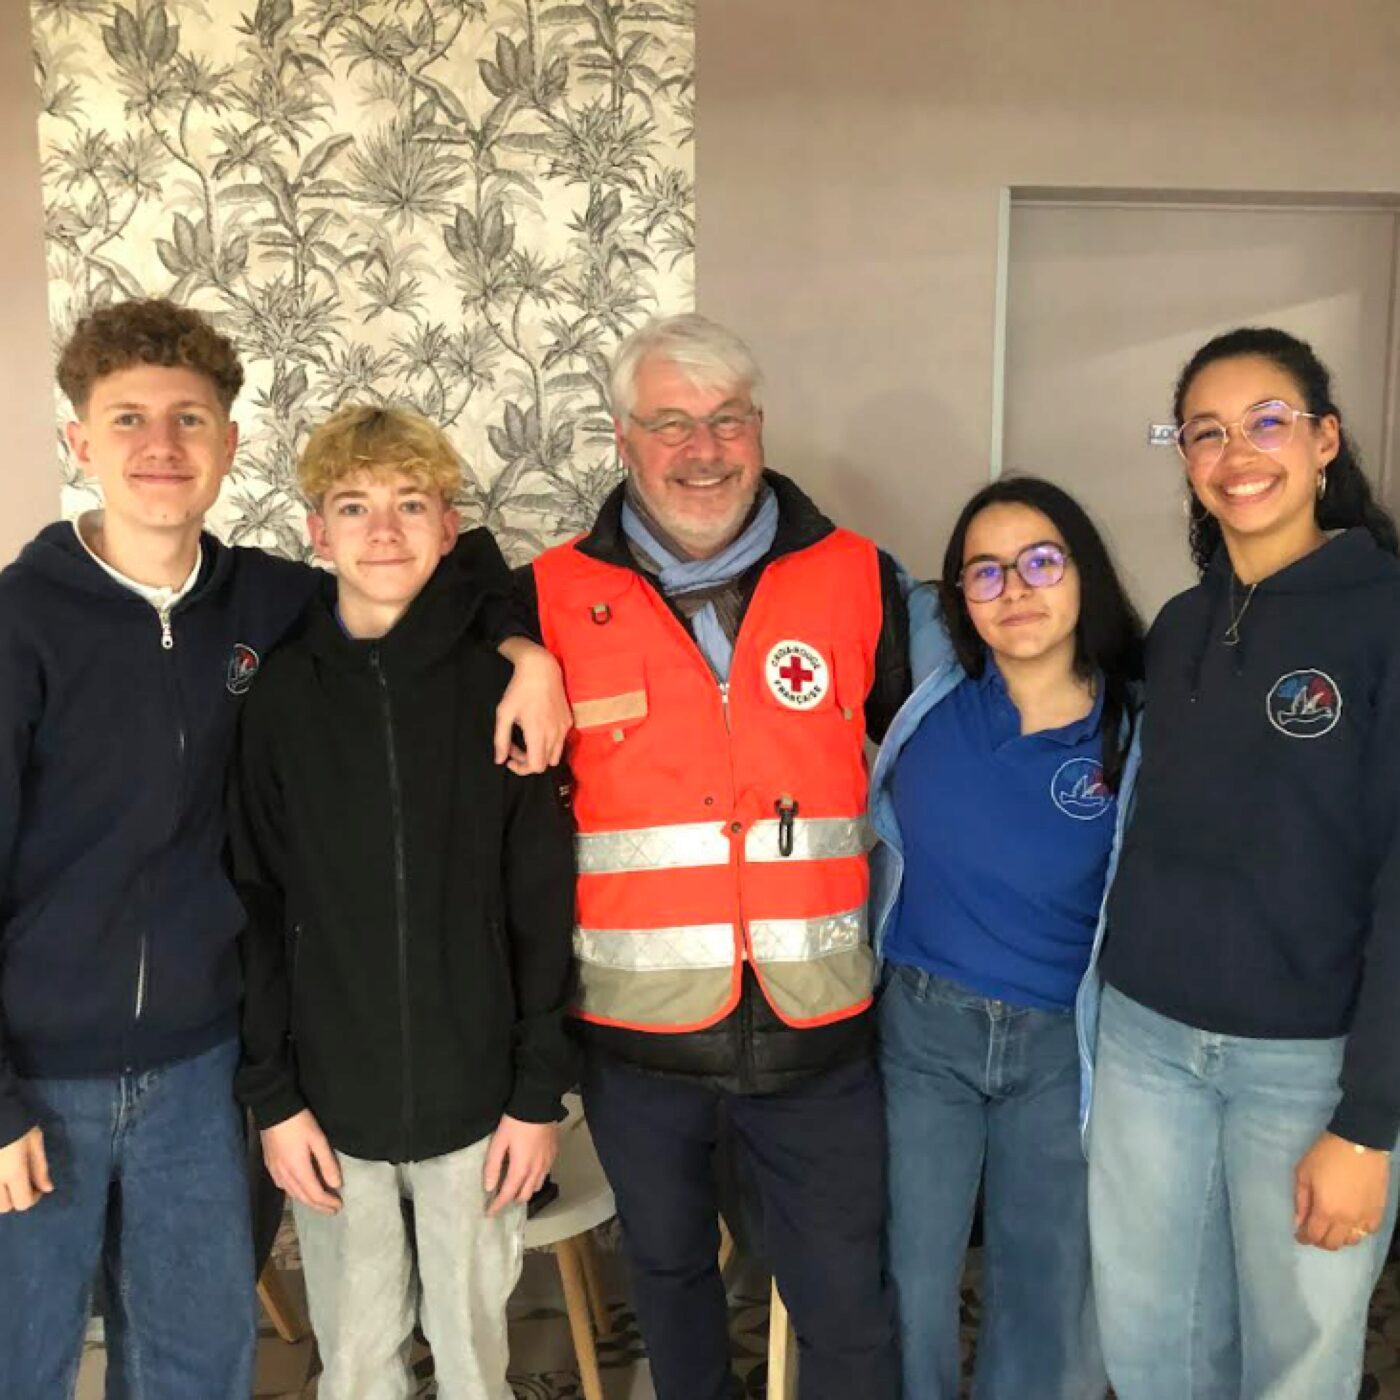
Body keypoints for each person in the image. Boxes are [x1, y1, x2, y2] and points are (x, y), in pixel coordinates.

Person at [0, 299, 567, 1399]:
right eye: (127, 420)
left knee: (196, 1364)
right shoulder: (21, 621)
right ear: (78, 441)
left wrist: (525, 650)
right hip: (41, 1069)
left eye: (188, 419)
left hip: (201, 1070)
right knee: (24, 1359)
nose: (160, 446)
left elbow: (451, 571)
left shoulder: (267, 601)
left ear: (228, 445)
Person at [519, 312, 909, 1400]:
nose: (703, 449)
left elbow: (926, 765)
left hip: (820, 1032)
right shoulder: (544, 596)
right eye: (670, 423)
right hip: (638, 1043)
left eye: (727, 419)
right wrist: (513, 646)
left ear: (760, 426)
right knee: (671, 1285)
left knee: (846, 1300)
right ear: (622, 439)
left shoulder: (860, 577)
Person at [231, 404, 576, 1398]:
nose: (383, 530)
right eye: (354, 505)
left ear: (447, 524)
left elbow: (540, 902)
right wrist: (274, 1097)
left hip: (480, 1097)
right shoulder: (279, 697)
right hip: (331, 1103)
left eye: (410, 504)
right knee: (356, 1359)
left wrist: (536, 1093)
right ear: (317, 532)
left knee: (473, 1356)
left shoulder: (501, 689)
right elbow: (254, 903)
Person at [1088, 327, 1400, 1399]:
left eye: (1267, 421)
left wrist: (1367, 1121)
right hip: (1144, 1044)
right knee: (1151, 1349)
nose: (1237, 454)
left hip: (1306, 1068)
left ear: (1324, 441)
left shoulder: (1384, 617)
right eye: (1205, 432)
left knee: (1296, 1363)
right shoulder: (1180, 626)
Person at [870, 476, 1141, 1400]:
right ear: (957, 595)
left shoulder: (1137, 727)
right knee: (908, 1272)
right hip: (921, 1030)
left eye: (1040, 563)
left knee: (1046, 1284)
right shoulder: (932, 676)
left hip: (1062, 1044)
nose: (1014, 590)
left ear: (1082, 573)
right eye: (985, 571)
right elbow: (825, 562)